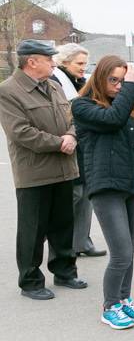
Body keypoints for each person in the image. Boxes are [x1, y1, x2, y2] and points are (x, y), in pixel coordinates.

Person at [72, 56, 134, 329]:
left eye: (124, 81)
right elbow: (111, 120)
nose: (120, 86)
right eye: (114, 80)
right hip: (106, 188)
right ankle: (110, 305)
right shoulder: (82, 106)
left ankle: (124, 299)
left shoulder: (129, 110)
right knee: (121, 252)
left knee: (129, 250)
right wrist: (133, 87)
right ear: (99, 78)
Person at [0, 40, 86, 300]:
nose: (53, 62)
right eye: (48, 58)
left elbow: (72, 118)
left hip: (64, 168)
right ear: (31, 61)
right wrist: (60, 142)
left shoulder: (53, 85)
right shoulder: (8, 90)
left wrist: (71, 135)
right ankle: (30, 281)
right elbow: (20, 132)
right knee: (32, 229)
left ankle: (64, 271)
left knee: (63, 224)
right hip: (34, 173)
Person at [51, 43, 105, 257]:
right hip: (68, 145)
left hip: (85, 145)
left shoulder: (81, 81)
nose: (84, 67)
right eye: (79, 63)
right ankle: (64, 246)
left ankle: (82, 241)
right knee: (73, 196)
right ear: (64, 62)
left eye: (85, 63)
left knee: (85, 195)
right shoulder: (55, 81)